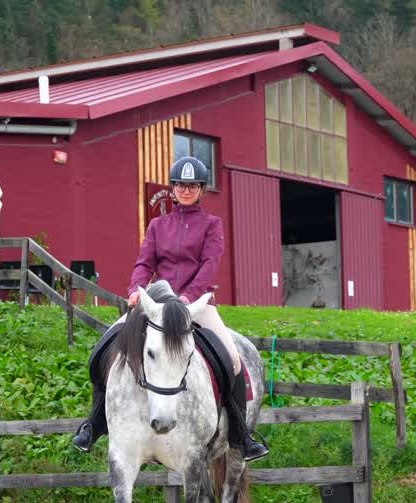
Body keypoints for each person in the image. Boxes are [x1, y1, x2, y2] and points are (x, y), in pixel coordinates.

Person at [71, 156, 269, 461]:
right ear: (172, 188)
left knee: (232, 360)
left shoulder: (212, 225)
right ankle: (94, 423)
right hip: (157, 302)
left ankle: (241, 436)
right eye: (180, 185)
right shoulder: (157, 225)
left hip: (196, 304)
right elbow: (144, 263)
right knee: (105, 349)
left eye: (192, 186)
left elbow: (209, 266)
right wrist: (136, 291)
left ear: (202, 189)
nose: (185, 190)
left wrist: (189, 298)